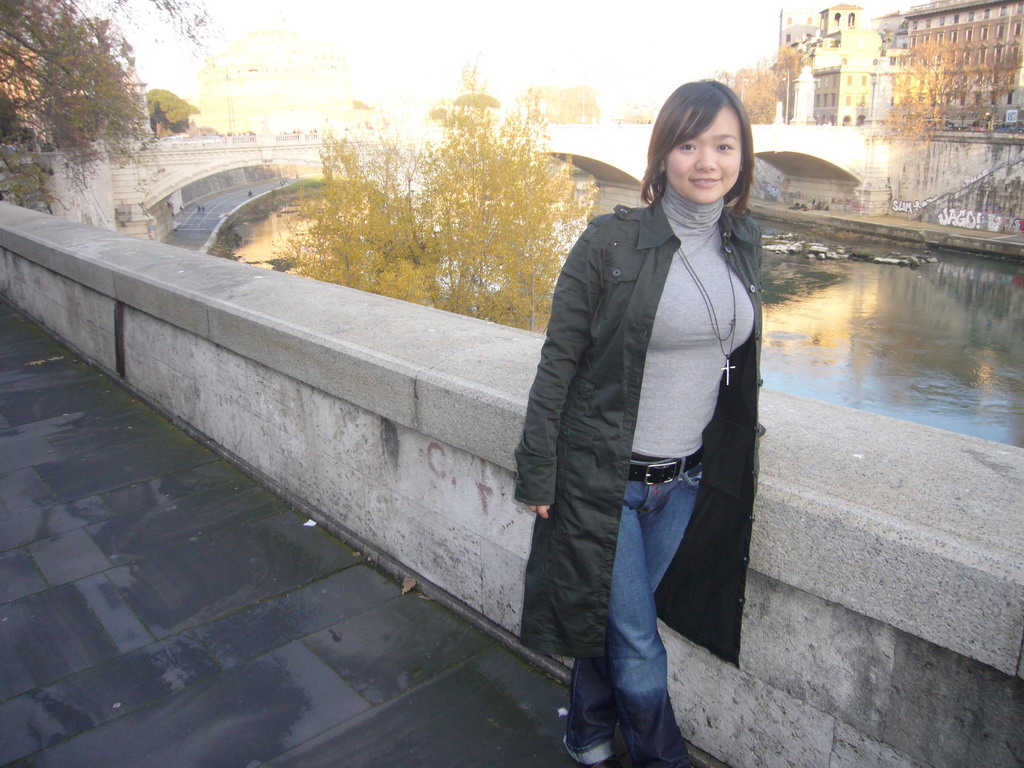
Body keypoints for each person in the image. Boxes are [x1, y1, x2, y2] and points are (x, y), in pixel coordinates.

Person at [514, 80, 764, 768]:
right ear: (662, 154)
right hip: (605, 483)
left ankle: (587, 727)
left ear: (742, 155)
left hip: (684, 484)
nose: (706, 161)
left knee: (613, 623)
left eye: (723, 144)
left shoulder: (743, 242)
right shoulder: (610, 241)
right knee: (638, 642)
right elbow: (559, 362)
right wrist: (537, 467)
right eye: (689, 144)